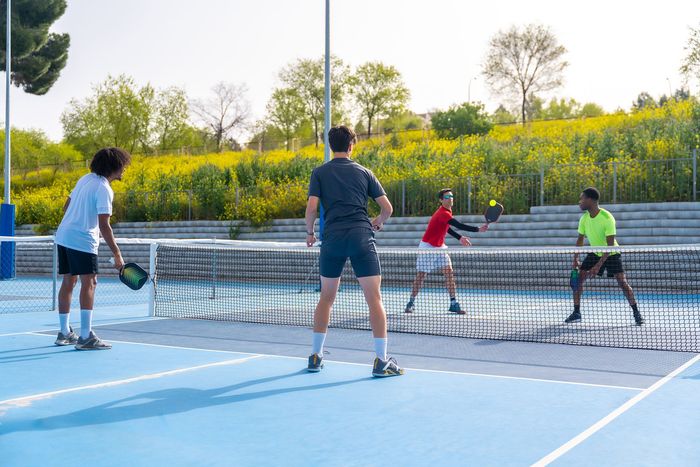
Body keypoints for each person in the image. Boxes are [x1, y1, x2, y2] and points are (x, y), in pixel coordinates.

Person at [305, 125, 403, 377]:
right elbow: (387, 208)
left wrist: (310, 232)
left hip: (332, 240)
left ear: (330, 146)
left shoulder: (319, 173)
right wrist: (378, 221)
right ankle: (381, 361)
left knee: (326, 298)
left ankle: (315, 356)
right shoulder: (365, 172)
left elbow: (312, 208)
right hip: (361, 237)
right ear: (351, 146)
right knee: (374, 299)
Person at [54, 147, 131, 350]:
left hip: (64, 235)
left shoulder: (85, 179)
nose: (124, 170)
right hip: (81, 240)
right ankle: (86, 336)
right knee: (90, 282)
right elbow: (104, 225)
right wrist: (117, 253)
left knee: (68, 281)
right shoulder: (104, 188)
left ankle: (64, 333)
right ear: (114, 167)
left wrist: (76, 221)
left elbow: (66, 206)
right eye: (123, 166)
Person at [565, 187, 643, 325]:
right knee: (579, 280)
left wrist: (597, 266)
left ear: (590, 200)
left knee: (622, 283)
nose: (580, 202)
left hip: (611, 253)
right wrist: (575, 258)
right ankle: (576, 312)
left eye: (582, 198)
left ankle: (636, 313)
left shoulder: (607, 218)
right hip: (595, 252)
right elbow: (580, 239)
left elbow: (610, 245)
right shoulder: (584, 219)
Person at [405, 188, 488, 314]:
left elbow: (447, 228)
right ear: (441, 200)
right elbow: (458, 225)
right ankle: (410, 302)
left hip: (440, 246)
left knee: (449, 272)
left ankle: (453, 303)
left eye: (452, 196)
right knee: (421, 275)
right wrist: (478, 229)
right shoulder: (443, 213)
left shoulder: (447, 212)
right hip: (428, 246)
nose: (451, 199)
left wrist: (460, 238)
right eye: (447, 197)